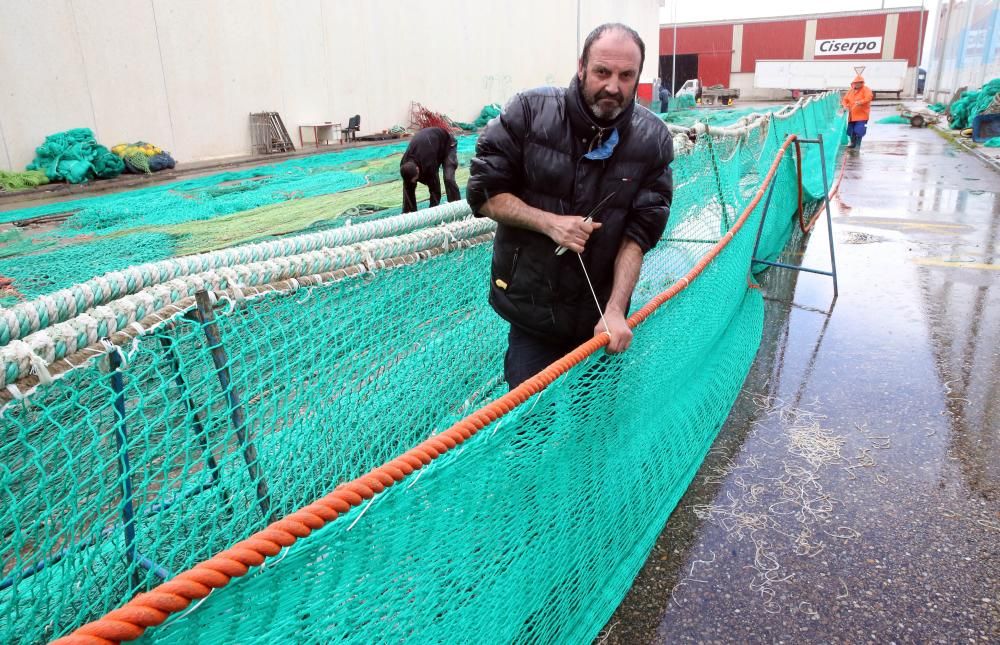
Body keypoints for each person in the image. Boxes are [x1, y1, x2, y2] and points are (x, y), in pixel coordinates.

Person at [467, 22, 674, 390]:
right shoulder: (528, 113)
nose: (613, 86)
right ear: (581, 67)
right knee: (532, 425)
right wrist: (549, 223)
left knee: (593, 422)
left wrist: (615, 308)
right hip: (532, 310)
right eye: (602, 72)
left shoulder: (653, 139)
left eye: (626, 75)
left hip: (600, 321)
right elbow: (484, 193)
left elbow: (639, 234)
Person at [399, 126, 461, 213]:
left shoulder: (428, 163)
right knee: (408, 186)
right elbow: (408, 187)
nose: (415, 181)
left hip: (448, 144)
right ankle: (409, 213)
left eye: (416, 179)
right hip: (431, 144)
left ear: (418, 169)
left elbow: (435, 190)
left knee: (448, 178)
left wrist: (431, 212)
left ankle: (456, 207)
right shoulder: (404, 164)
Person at [842, 74, 874, 150]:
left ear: (861, 83)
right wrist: (845, 106)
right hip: (852, 115)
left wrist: (861, 102)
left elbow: (869, 97)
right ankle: (853, 144)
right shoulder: (850, 91)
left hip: (862, 116)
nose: (856, 84)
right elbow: (844, 100)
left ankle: (857, 146)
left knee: (859, 130)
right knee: (851, 130)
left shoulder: (866, 89)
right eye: (855, 83)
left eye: (858, 83)